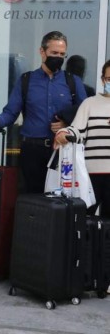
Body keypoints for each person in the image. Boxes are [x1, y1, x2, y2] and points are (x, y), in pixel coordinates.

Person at [0, 31, 87, 193]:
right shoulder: (26, 80)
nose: (58, 58)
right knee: (32, 201)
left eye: (62, 54)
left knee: (61, 201)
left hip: (62, 150)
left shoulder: (72, 82)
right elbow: (10, 113)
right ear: (42, 52)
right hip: (32, 150)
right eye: (54, 53)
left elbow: (84, 113)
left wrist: (66, 124)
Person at [54, 60, 110, 218]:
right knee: (83, 219)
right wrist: (64, 133)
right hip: (91, 175)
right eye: (109, 79)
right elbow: (77, 130)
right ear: (102, 79)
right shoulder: (89, 104)